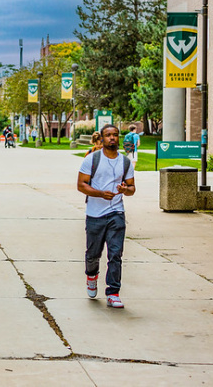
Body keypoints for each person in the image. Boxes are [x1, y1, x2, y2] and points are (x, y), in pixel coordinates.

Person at [77, 124, 136, 309]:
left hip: (116, 213)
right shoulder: (92, 159)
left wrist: (125, 190)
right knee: (93, 254)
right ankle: (91, 276)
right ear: (101, 139)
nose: (112, 138)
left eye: (115, 135)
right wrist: (100, 194)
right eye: (108, 135)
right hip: (95, 214)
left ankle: (113, 292)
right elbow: (81, 185)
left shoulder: (125, 162)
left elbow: (132, 188)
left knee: (116, 253)